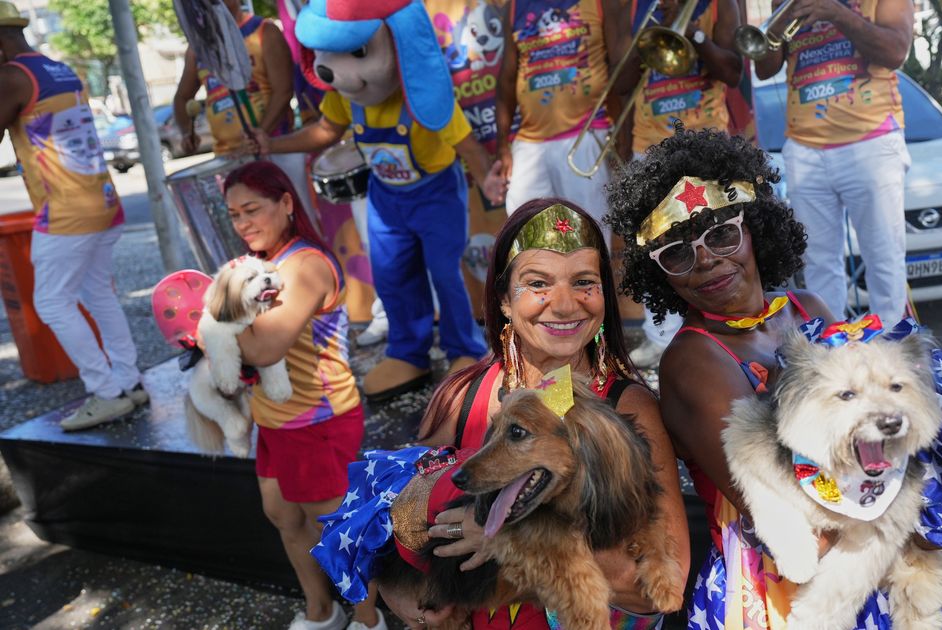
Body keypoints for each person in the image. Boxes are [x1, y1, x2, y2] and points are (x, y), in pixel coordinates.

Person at [606, 128, 942, 628]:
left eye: (721, 234)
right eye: (677, 253)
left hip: (867, 554)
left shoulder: (807, 309)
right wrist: (919, 513)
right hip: (778, 589)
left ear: (755, 227)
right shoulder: (694, 361)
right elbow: (792, 516)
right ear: (659, 275)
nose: (707, 259)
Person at [310, 199, 690, 629]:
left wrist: (508, 539)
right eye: (538, 283)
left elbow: (663, 587)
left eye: (584, 282)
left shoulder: (627, 406)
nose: (565, 305)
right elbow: (403, 511)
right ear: (505, 300)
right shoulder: (462, 395)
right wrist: (401, 590)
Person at [261, 0, 506, 403]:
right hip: (386, 197)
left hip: (435, 194)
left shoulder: (422, 94)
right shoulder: (346, 96)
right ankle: (408, 352)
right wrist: (273, 144)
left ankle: (465, 350)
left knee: (446, 274)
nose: (335, 71)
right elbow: (326, 130)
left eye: (357, 52)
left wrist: (487, 180)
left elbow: (465, 143)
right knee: (393, 275)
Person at [217, 161, 386, 630]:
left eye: (252, 209)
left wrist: (212, 318)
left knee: (336, 528)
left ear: (286, 203)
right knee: (282, 516)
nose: (243, 223)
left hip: (318, 420)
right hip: (274, 418)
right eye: (234, 215)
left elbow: (264, 349)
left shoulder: (306, 264)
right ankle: (321, 612)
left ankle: (369, 620)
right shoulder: (258, 264)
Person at [0, 3, 146, 431]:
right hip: (103, 199)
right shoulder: (57, 69)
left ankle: (107, 392)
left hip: (65, 211)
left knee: (52, 301)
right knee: (98, 293)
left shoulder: (12, 77)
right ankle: (129, 381)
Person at [751, 0, 913, 326]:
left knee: (884, 258)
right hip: (804, 146)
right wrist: (780, 21)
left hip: (871, 140)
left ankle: (892, 348)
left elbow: (896, 52)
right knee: (817, 263)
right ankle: (829, 346)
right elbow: (764, 68)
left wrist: (837, 13)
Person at [624, 0, 742, 369]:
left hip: (706, 144)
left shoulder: (720, 5)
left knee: (719, 240)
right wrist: (648, 38)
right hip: (649, 145)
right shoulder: (638, 7)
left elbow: (732, 71)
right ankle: (662, 338)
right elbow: (622, 82)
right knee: (656, 246)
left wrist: (694, 34)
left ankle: (729, 332)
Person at [494, 0, 630, 232]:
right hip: (529, 144)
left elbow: (620, 70)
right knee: (527, 236)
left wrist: (623, 138)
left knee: (589, 236)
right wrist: (503, 147)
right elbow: (506, 80)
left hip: (586, 137)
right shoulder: (515, 6)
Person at [172, 0, 306, 199]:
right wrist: (186, 132)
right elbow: (182, 97)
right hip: (228, 159)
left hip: (276, 149)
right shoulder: (198, 48)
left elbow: (284, 91)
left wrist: (258, 137)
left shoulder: (264, 31)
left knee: (289, 212)